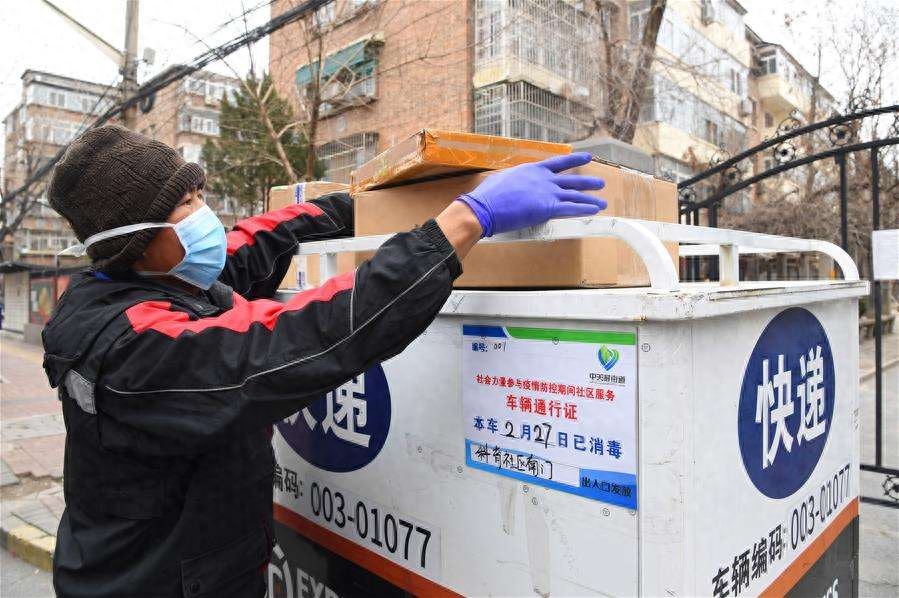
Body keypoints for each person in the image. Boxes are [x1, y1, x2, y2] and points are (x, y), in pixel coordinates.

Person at [42, 124, 605, 598]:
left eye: (200, 195)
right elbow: (309, 332)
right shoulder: (133, 345)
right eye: (186, 205)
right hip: (152, 584)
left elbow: (259, 239)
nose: (205, 216)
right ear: (137, 240)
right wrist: (465, 219)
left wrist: (375, 204)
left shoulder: (161, 279)